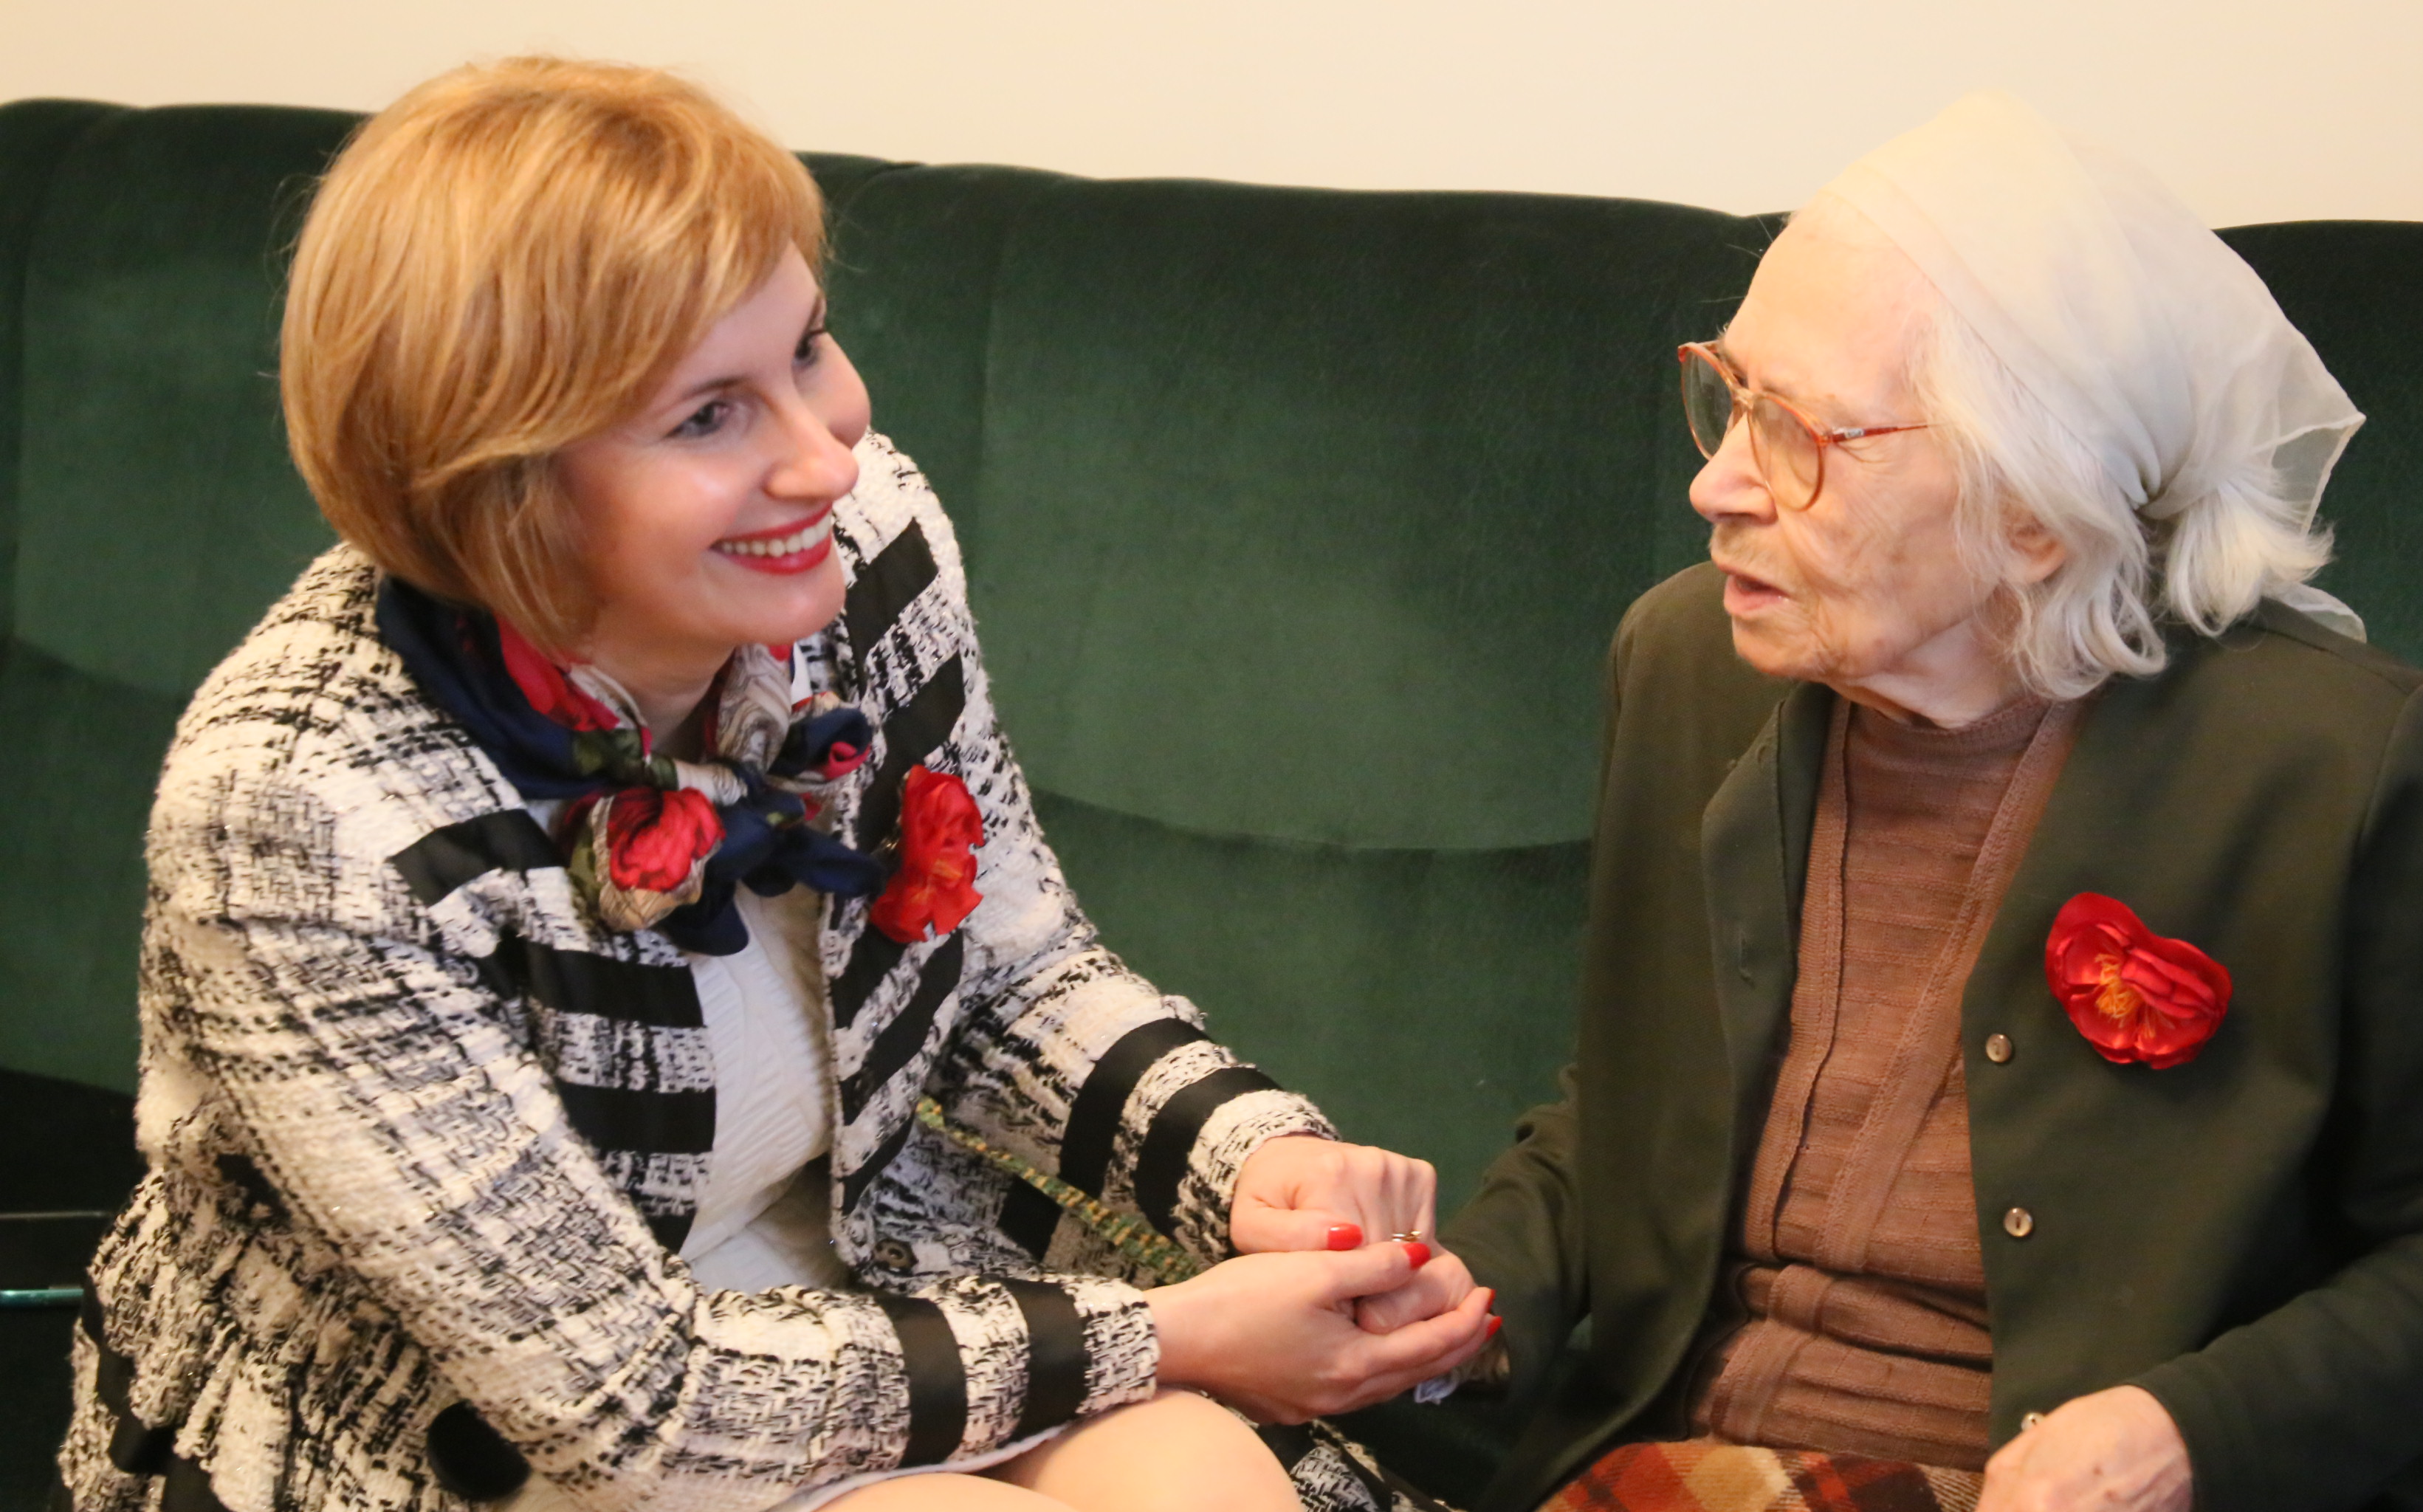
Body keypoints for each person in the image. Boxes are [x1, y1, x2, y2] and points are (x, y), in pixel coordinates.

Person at [57, 58, 1488, 1512]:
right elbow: (639, 1413)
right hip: (493, 1433)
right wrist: (1178, 1328)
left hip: (867, 1280)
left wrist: (1249, 1164)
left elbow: (1000, 967)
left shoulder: (863, 549)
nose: (827, 452)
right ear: (503, 488)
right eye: (707, 418)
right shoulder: (296, 813)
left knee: (1219, 1491)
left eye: (807, 347)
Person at [1429, 94, 2423, 1512]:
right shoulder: (1686, 664)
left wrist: (2186, 1436)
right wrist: (1460, 1301)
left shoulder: (2328, 763)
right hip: (1687, 1460)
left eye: (1791, 431)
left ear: (2033, 512)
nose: (1713, 481)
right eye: (1727, 397)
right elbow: (1626, 1111)